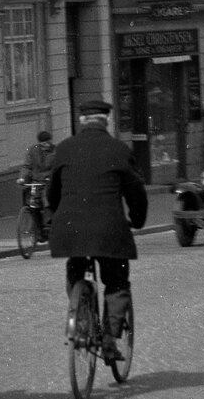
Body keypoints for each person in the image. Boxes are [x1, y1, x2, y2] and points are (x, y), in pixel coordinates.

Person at [46, 98, 147, 358]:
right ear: (106, 120)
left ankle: (80, 313)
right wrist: (137, 219)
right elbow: (135, 192)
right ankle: (110, 339)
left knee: (75, 269)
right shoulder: (119, 149)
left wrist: (56, 214)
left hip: (70, 229)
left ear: (81, 121)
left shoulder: (64, 149)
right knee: (117, 280)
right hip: (109, 230)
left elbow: (52, 191)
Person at [19, 127, 56, 238]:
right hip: (36, 181)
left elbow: (57, 167)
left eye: (48, 142)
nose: (46, 145)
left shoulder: (56, 151)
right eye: (43, 143)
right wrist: (22, 178)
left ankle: (48, 223)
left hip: (49, 181)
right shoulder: (33, 150)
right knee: (32, 203)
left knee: (46, 198)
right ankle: (38, 229)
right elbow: (27, 166)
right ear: (40, 143)